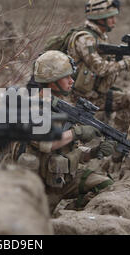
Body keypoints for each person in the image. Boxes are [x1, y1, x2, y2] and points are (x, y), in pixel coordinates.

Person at [12, 50, 116, 213]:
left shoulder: (59, 105)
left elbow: (70, 150)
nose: (72, 81)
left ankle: (71, 217)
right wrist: (78, 132)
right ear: (52, 80)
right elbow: (47, 144)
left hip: (64, 179)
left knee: (105, 186)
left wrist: (94, 152)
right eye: (66, 77)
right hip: (38, 186)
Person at [66, 0, 130, 127]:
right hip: (80, 99)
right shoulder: (85, 39)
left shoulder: (99, 37)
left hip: (95, 95)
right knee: (129, 101)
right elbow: (100, 69)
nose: (114, 21)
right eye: (111, 17)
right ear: (100, 19)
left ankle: (117, 130)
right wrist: (126, 63)